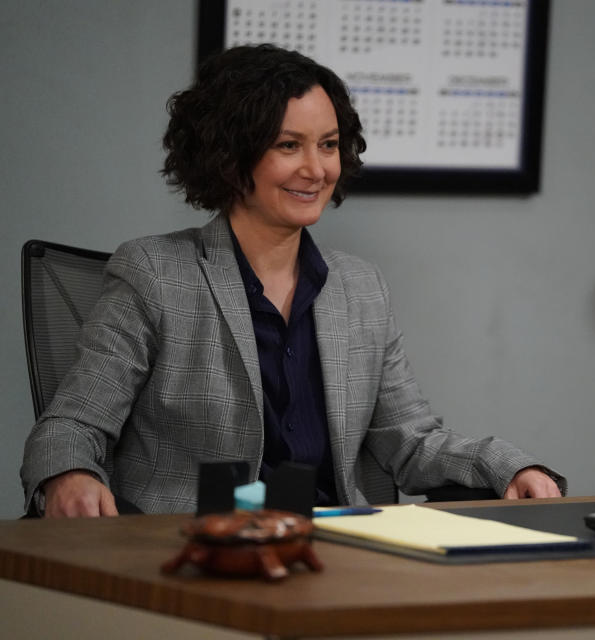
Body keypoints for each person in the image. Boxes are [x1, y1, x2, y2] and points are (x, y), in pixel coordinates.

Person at [20, 44, 564, 518]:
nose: (317, 168)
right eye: (288, 146)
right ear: (232, 156)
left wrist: (508, 466)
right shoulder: (156, 273)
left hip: (337, 551)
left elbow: (411, 441)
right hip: (197, 551)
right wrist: (69, 475)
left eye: (328, 144)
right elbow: (72, 424)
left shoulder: (359, 287)